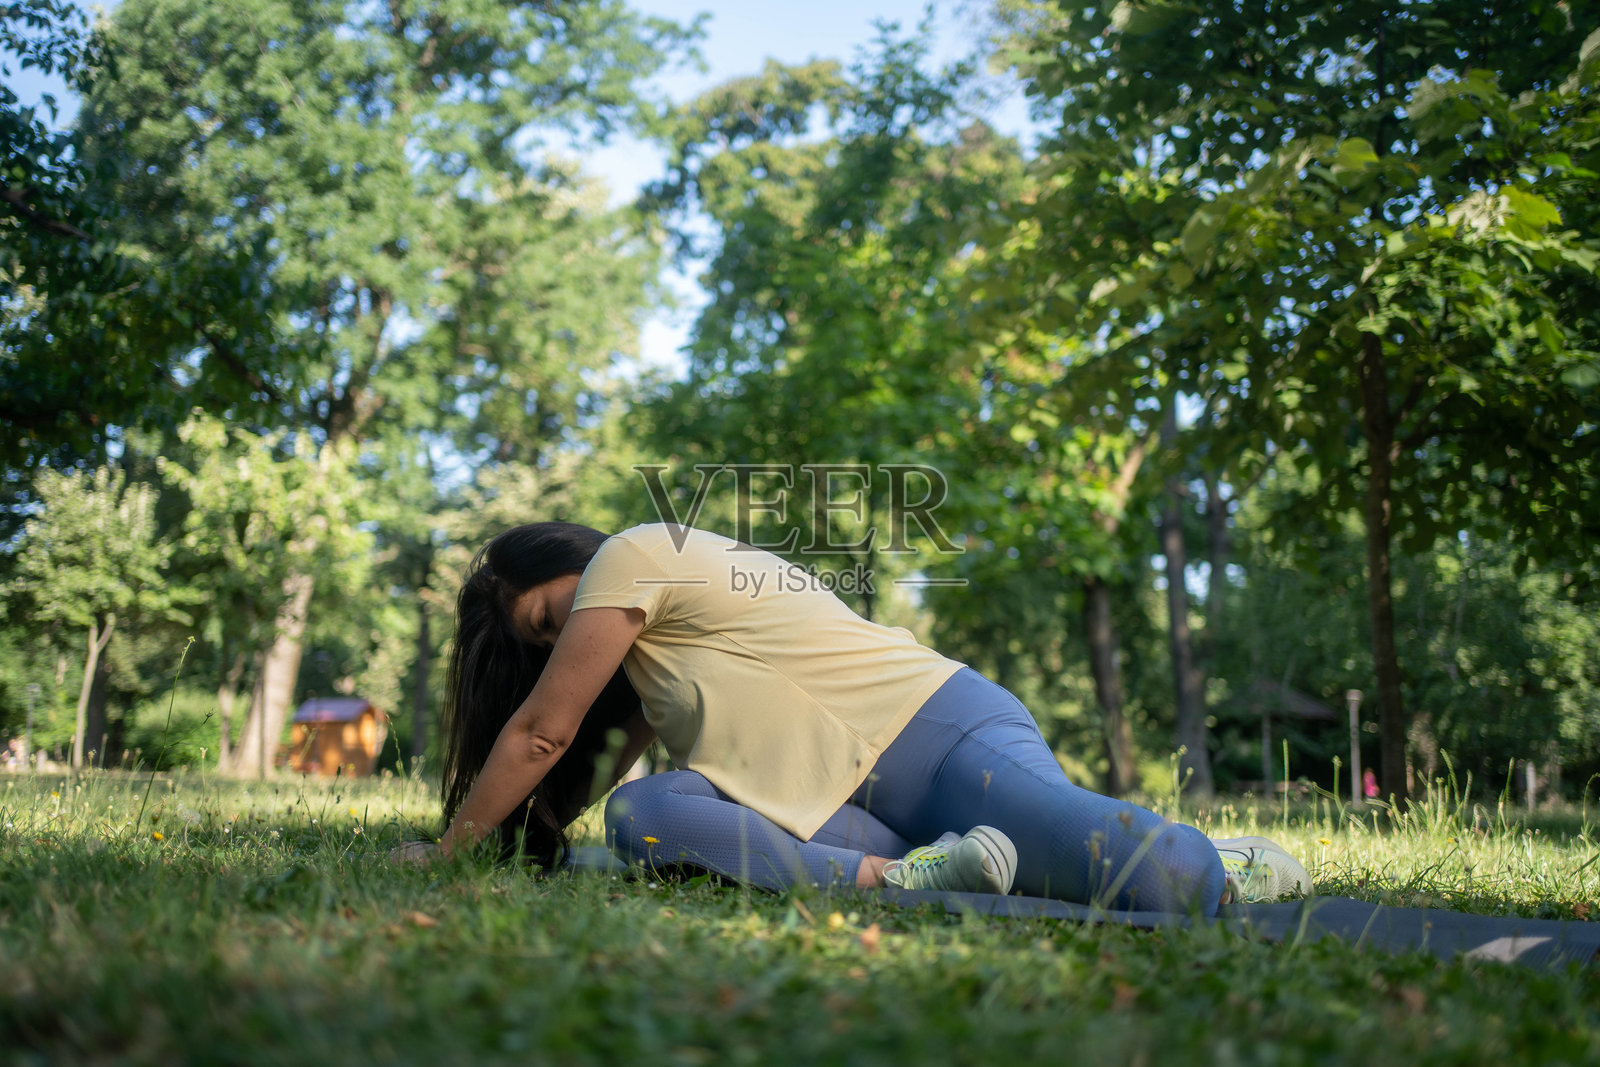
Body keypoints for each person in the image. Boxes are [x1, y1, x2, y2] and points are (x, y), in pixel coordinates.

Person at [398, 521, 1310, 914]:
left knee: (1168, 878)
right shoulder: (646, 667)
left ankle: (1230, 863)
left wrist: (450, 851)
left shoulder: (633, 557)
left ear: (573, 559)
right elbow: (583, 769)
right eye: (545, 643)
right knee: (647, 814)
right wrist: (521, 832)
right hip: (847, 815)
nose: (563, 644)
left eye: (549, 621)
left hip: (940, 735)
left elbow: (541, 732)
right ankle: (905, 876)